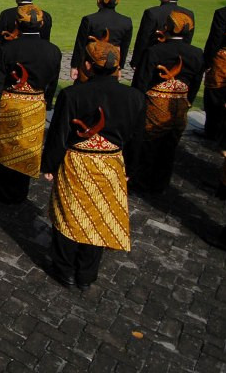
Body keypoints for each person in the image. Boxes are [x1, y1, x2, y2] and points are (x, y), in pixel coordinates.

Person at [41, 40, 144, 291]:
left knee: (68, 213)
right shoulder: (135, 98)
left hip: (78, 160)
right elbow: (138, 139)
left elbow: (59, 135)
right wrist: (131, 169)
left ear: (88, 64)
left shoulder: (72, 94)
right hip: (111, 164)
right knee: (99, 217)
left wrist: (50, 165)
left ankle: (64, 269)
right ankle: (86, 274)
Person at [0, 5, 62, 204]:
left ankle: (2, 188)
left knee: (5, 147)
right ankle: (19, 190)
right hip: (36, 104)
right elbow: (52, 83)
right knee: (28, 147)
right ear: (42, 24)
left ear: (17, 23)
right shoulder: (53, 51)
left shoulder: (9, 48)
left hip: (10, 102)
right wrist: (47, 103)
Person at [130, 12, 204, 193]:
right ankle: (160, 183)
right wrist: (186, 102)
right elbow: (195, 83)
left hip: (155, 105)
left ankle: (141, 180)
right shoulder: (196, 53)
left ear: (167, 27)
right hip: (179, 104)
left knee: (147, 144)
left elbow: (141, 82)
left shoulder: (155, 51)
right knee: (169, 146)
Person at [130, 0, 195, 69]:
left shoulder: (152, 13)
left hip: (152, 60)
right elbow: (187, 41)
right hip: (176, 62)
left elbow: (143, 39)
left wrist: (136, 61)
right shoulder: (189, 14)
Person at [70, 0, 133, 81]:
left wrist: (74, 66)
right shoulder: (126, 22)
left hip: (91, 66)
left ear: (99, 0)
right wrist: (120, 67)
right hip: (113, 65)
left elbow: (80, 45)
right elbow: (124, 47)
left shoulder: (89, 20)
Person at [0, 0, 53, 68]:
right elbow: (46, 40)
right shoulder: (45, 16)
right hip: (37, 60)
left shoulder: (7, 14)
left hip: (11, 61)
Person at [201, 0, 226, 140]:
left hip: (223, 59)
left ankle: (211, 131)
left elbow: (215, 39)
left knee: (214, 94)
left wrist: (207, 61)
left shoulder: (223, 14)